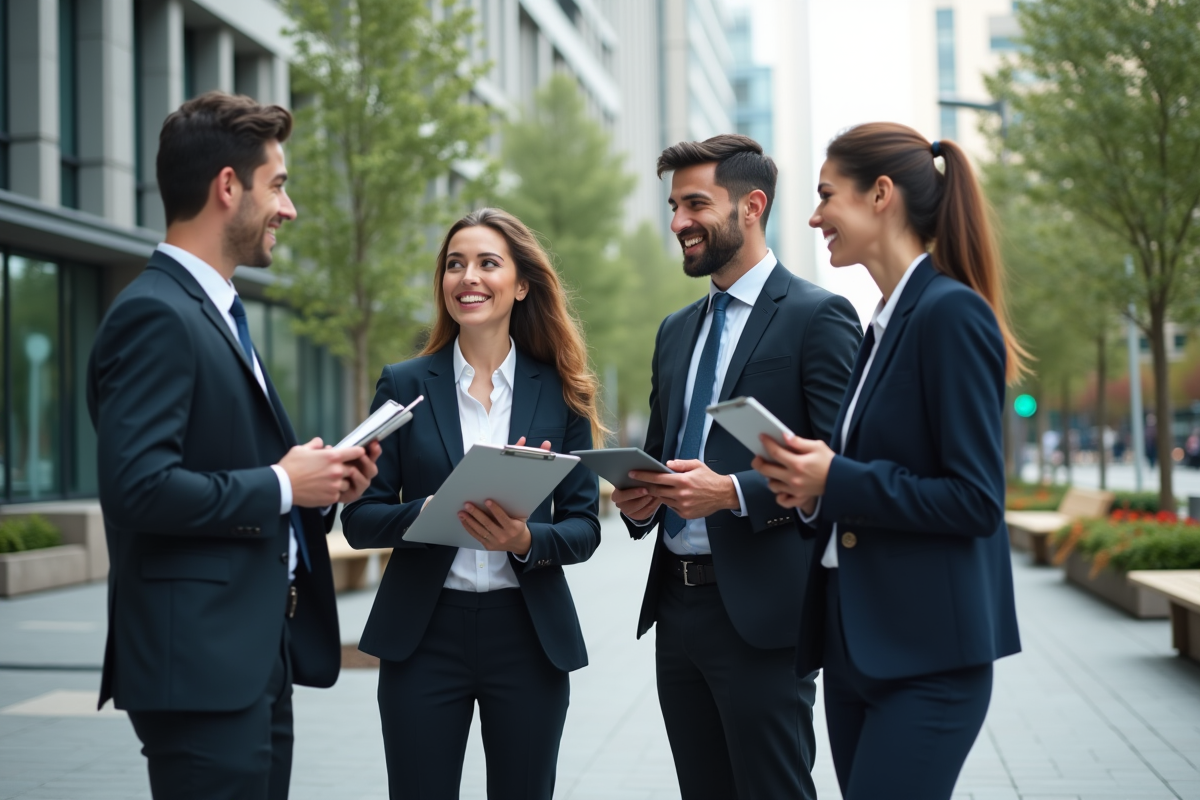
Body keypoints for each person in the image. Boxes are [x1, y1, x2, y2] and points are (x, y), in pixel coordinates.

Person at [87, 91, 381, 800]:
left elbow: (220, 469)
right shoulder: (157, 316)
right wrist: (283, 484)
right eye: (277, 184)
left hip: (245, 661)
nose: (289, 208)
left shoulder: (210, 311)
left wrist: (320, 483)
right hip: (198, 672)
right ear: (228, 187)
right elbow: (138, 488)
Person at [752, 122, 1025, 799]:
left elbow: (975, 500)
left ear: (880, 195)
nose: (814, 216)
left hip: (929, 661)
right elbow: (868, 481)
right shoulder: (881, 322)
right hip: (858, 651)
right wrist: (810, 487)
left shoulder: (950, 314)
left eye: (825, 196)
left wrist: (834, 476)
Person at [612, 134, 862, 800]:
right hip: (676, 605)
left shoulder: (818, 317)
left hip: (763, 612)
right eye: (673, 206)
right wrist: (645, 497)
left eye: (696, 203)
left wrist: (735, 494)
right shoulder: (675, 330)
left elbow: (843, 467)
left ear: (752, 207)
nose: (678, 223)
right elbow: (667, 452)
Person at [341, 208, 602, 800]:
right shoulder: (404, 384)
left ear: (522, 283)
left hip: (527, 636)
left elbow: (585, 527)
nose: (468, 277)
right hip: (424, 634)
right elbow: (357, 519)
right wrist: (430, 512)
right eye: (454, 264)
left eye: (488, 263)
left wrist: (526, 540)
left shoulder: (562, 391)